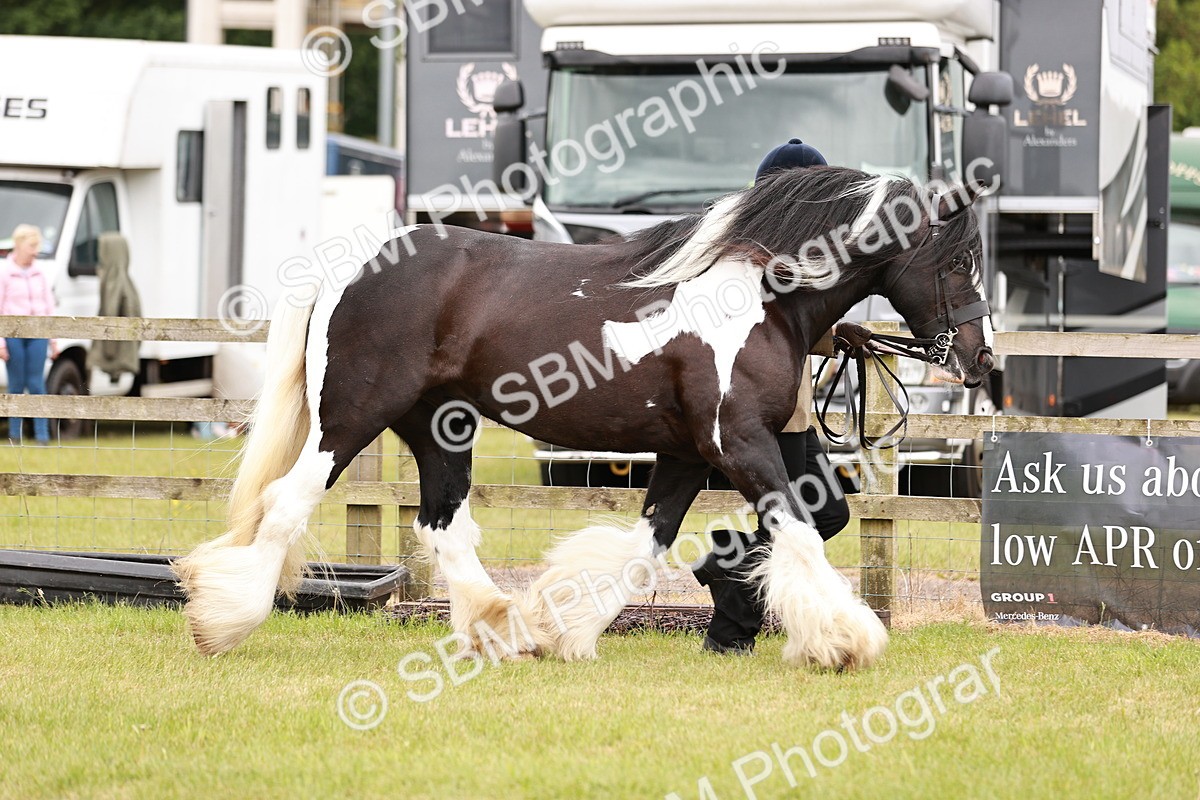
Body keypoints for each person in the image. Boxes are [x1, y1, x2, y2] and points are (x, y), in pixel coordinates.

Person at [692, 139, 853, 654]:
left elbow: (796, 324)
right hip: (764, 416)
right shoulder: (751, 253)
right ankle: (728, 636)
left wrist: (839, 332)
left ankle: (726, 562)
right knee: (792, 522)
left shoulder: (795, 250)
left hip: (794, 412)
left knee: (827, 514)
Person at [1, 224, 57, 444]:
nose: (34, 251)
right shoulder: (4, 273)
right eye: (31, 246)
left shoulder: (39, 273)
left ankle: (42, 435)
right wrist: (1, 343)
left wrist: (53, 340)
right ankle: (15, 434)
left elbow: (48, 306)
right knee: (16, 384)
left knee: (36, 384)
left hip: (38, 333)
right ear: (19, 245)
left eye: (36, 246)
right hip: (13, 335)